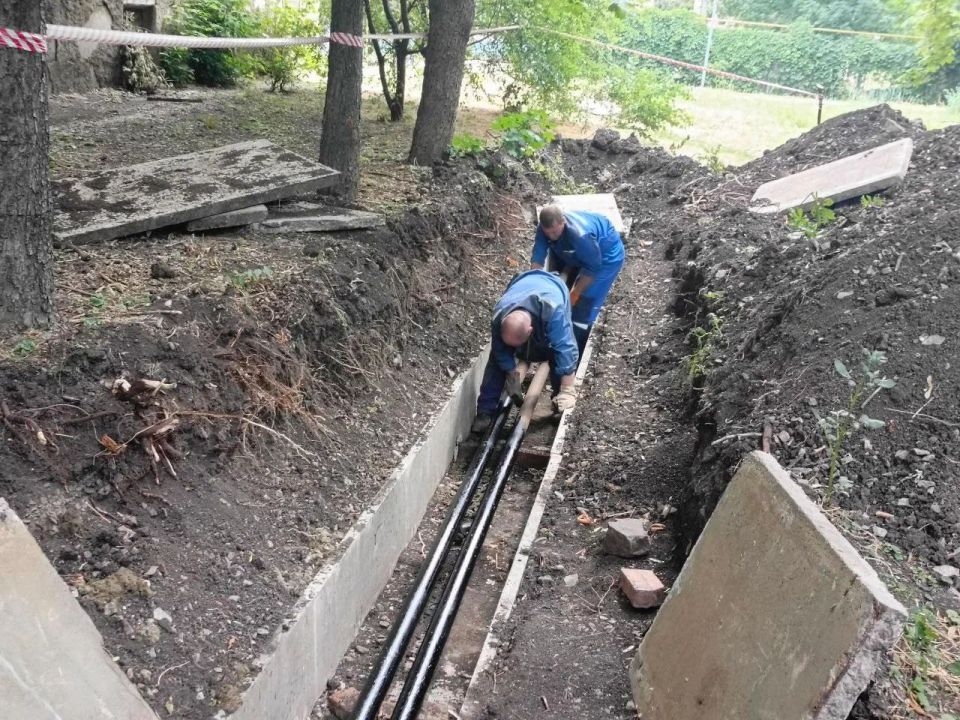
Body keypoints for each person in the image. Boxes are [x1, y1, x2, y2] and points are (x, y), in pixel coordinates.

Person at [472, 269, 579, 433]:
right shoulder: (500, 313)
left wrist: (567, 389)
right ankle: (485, 413)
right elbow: (500, 349)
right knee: (496, 361)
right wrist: (510, 372)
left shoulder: (553, 311)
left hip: (553, 289)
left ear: (530, 331)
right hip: (522, 284)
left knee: (555, 354)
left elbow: (566, 349)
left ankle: (558, 401)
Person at [532, 206, 625, 354]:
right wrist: (533, 286)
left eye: (555, 232)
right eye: (548, 233)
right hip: (583, 251)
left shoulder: (581, 236)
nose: (551, 236)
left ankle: (576, 348)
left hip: (607, 256)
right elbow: (538, 256)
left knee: (585, 302)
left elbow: (593, 268)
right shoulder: (545, 229)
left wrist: (575, 293)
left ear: (563, 221)